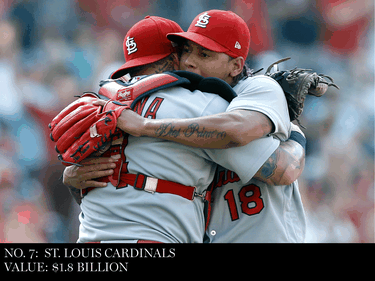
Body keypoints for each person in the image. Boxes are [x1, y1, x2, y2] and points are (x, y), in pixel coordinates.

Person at [63, 10, 306, 242]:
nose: (189, 61)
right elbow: (283, 168)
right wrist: (294, 132)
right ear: (173, 57)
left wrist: (72, 178)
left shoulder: (102, 108)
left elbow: (88, 189)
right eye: (187, 51)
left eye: (204, 54)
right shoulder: (201, 106)